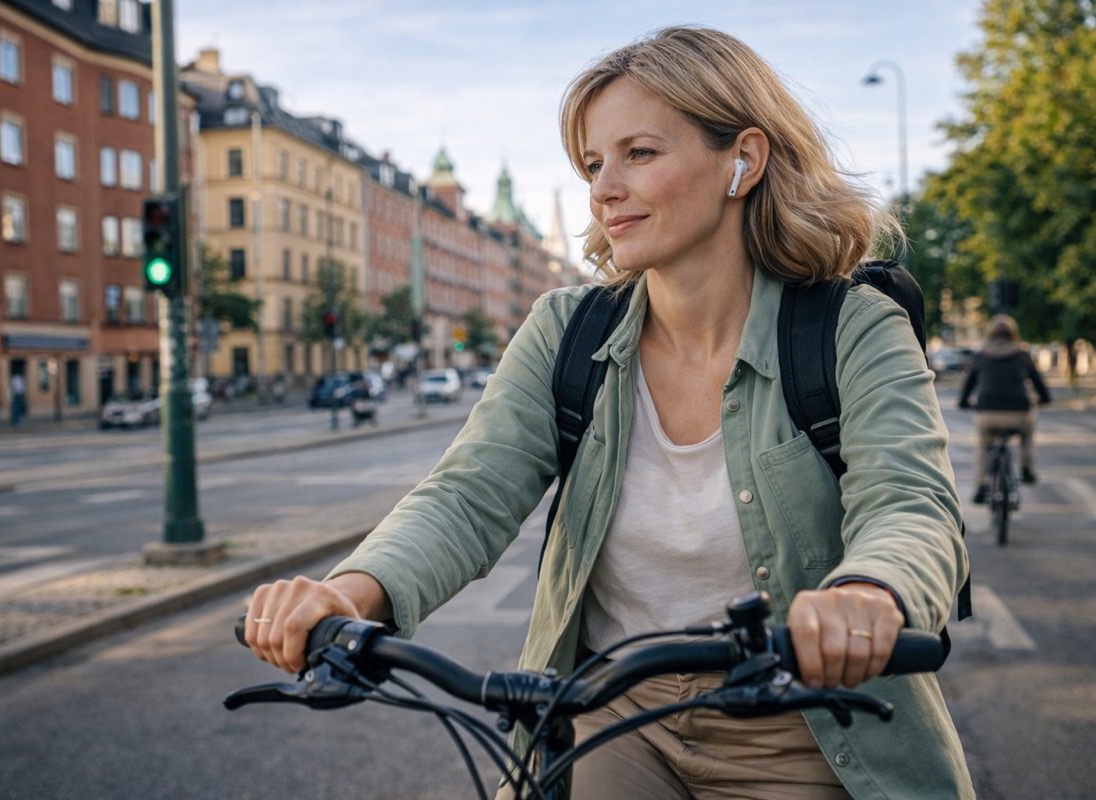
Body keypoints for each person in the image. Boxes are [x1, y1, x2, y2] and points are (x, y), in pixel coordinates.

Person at [244, 26, 971, 799]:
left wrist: (869, 593)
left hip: (806, 718)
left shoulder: (851, 325)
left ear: (743, 160)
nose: (603, 188)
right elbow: (468, 494)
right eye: (594, 163)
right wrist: (349, 592)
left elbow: (911, 502)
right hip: (611, 710)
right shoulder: (565, 329)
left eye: (640, 154)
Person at [959, 315, 1051, 502]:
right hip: (1018, 414)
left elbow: (968, 386)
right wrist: (1044, 399)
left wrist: (964, 402)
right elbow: (1039, 383)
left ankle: (980, 485)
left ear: (990, 334)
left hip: (987, 414)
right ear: (1013, 334)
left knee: (984, 446)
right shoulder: (1023, 354)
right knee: (1028, 433)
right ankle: (1026, 468)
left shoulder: (980, 355)